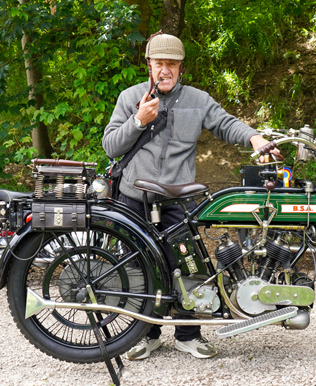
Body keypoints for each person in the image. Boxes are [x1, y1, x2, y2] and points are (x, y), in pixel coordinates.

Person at [102, 32, 277, 360]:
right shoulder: (130, 97)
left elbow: (226, 124)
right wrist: (139, 120)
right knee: (139, 268)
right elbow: (110, 146)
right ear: (149, 67)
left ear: (181, 68)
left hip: (179, 199)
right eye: (159, 64)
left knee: (189, 264)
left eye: (172, 64)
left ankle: (187, 333)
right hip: (133, 196)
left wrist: (254, 138)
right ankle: (144, 333)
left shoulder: (197, 99)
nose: (165, 70)